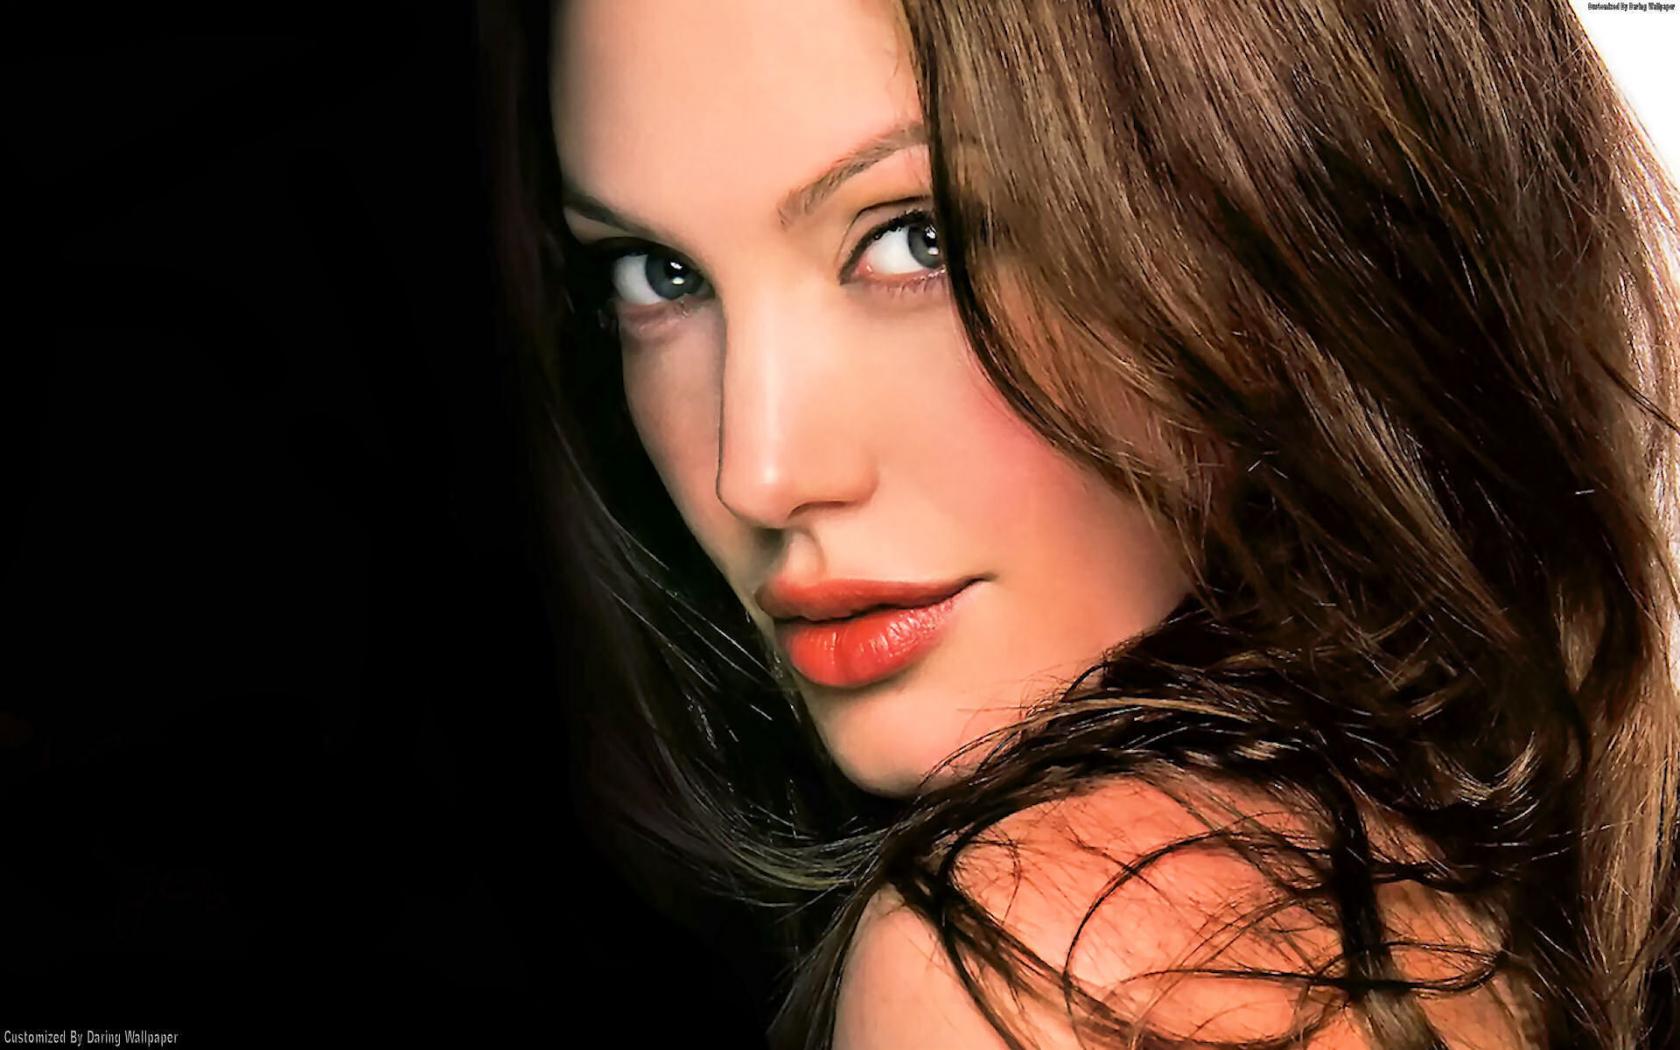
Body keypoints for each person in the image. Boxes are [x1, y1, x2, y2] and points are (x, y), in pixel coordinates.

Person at [481, 1, 1680, 1046]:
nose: (759, 472)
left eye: (919, 238)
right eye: (655, 275)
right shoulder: (1479, 887)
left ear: (1290, 199)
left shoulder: (1046, 962)